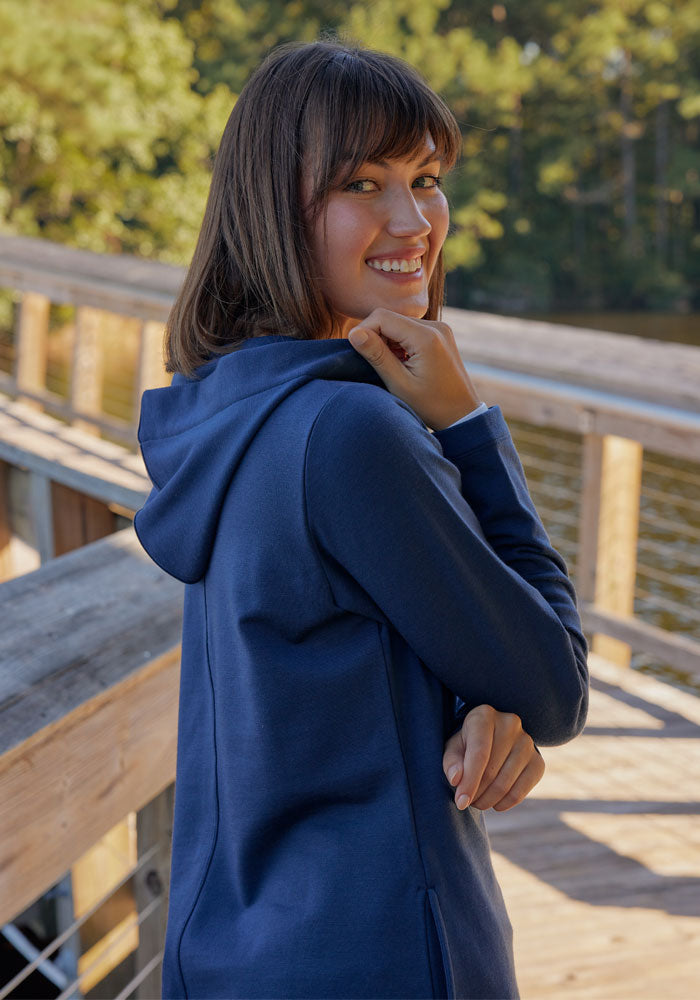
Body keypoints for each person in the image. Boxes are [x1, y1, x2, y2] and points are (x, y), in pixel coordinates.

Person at [134, 37, 589, 1000]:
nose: (413, 219)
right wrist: (468, 424)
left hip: (233, 949)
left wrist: (472, 703)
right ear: (274, 206)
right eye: (362, 183)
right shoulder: (348, 433)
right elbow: (558, 685)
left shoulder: (228, 410)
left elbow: (348, 652)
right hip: (381, 951)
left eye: (425, 178)